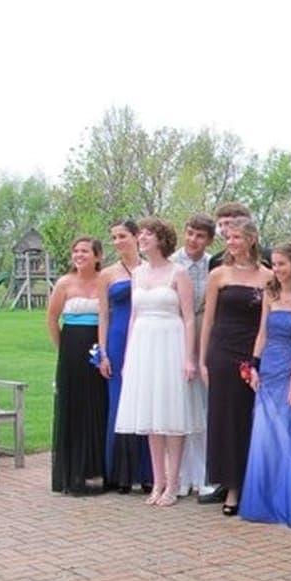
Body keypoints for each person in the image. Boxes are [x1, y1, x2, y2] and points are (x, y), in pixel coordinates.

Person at [113, 218, 203, 505]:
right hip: (143, 344)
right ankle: (158, 481)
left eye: (148, 234)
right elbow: (132, 318)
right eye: (141, 234)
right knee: (151, 416)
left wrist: (189, 358)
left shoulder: (179, 273)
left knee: (171, 413)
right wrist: (128, 357)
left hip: (170, 342)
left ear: (161, 239)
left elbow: (188, 318)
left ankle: (173, 483)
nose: (142, 238)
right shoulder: (138, 273)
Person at [200, 216, 270, 516]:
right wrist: (202, 359)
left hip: (250, 351)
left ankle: (246, 484)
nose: (231, 243)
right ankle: (227, 484)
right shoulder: (218, 274)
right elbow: (208, 319)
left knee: (246, 418)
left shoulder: (268, 277)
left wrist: (257, 358)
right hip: (221, 350)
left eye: (237, 238)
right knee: (222, 417)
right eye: (227, 238)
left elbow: (266, 325)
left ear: (251, 240)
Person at [240, 243, 291, 525]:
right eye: (275, 264)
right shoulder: (271, 293)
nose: (277, 269)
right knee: (266, 434)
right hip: (269, 367)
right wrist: (254, 366)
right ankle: (263, 498)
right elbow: (261, 333)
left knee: (289, 434)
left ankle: (288, 500)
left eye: (282, 264)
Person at [47, 236, 108, 495]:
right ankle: (72, 472)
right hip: (71, 350)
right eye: (76, 251)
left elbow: (106, 315)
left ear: (97, 256)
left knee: (96, 406)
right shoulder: (64, 283)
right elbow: (51, 318)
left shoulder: (104, 281)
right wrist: (63, 348)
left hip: (97, 350)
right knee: (72, 406)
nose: (79, 255)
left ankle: (97, 468)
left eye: (85, 251)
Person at [97, 218, 152, 492]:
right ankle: (120, 474)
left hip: (145, 339)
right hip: (117, 340)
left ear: (135, 237)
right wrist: (103, 352)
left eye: (122, 236)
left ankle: (146, 472)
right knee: (118, 405)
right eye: (114, 237)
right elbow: (103, 316)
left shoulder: (150, 269)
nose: (118, 242)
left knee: (144, 402)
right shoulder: (107, 274)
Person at [170, 214, 216, 496]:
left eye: (200, 236)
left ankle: (201, 472)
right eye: (190, 233)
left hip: (204, 328)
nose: (193, 240)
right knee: (179, 403)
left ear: (209, 239)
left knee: (202, 403)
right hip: (176, 330)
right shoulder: (173, 263)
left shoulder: (213, 263)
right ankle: (181, 473)